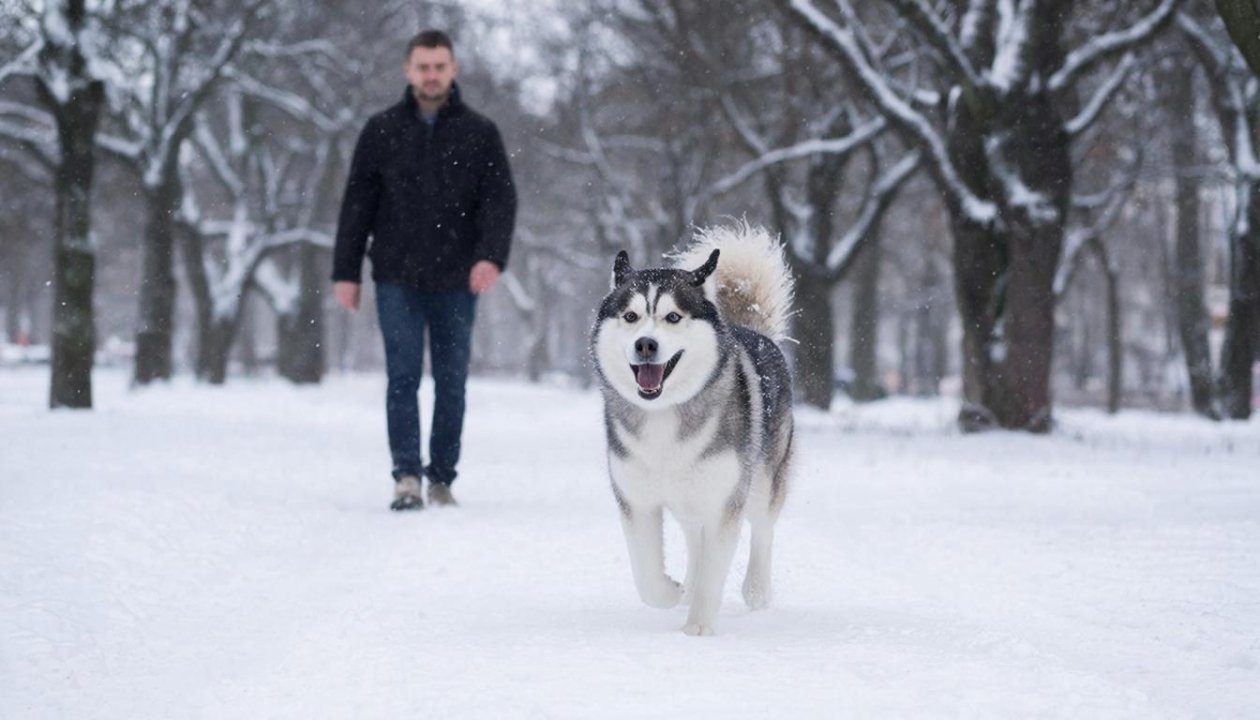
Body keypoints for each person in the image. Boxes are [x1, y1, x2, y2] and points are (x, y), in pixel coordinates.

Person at [332, 30, 516, 511]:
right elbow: (357, 205)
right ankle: (407, 476)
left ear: (453, 70)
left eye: (439, 66)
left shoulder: (480, 133)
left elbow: (499, 202)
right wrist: (345, 272)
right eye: (423, 66)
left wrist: (490, 257)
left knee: (452, 380)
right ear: (408, 71)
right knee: (403, 377)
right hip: (396, 276)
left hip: (458, 279)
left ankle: (441, 479)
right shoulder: (381, 131)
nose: (431, 75)